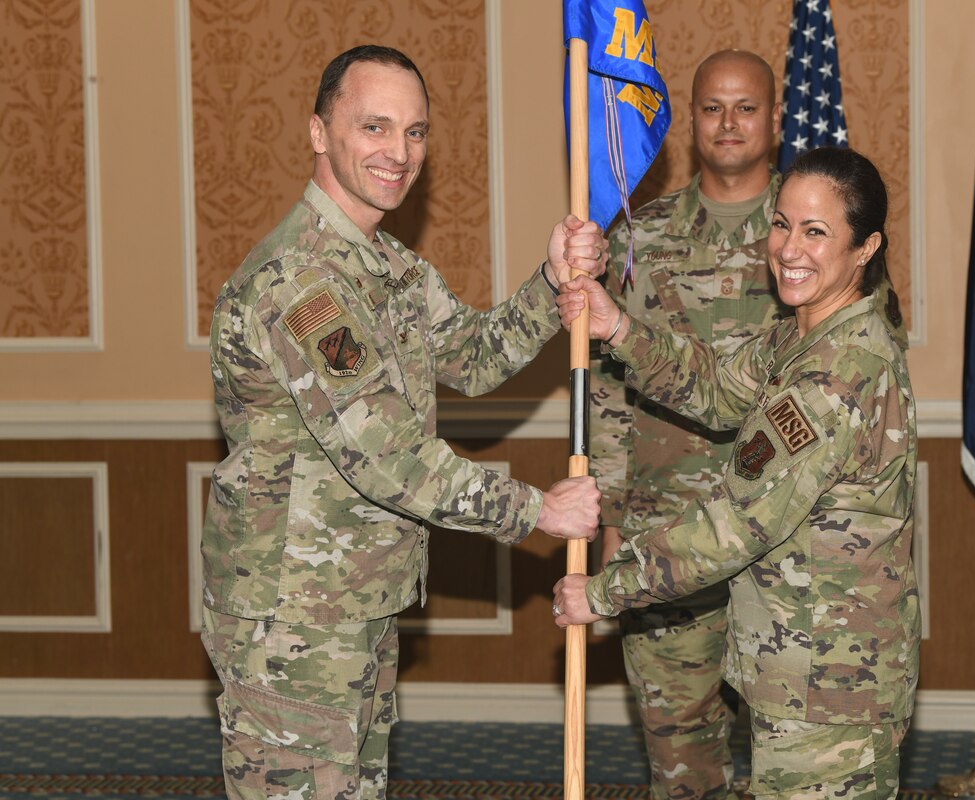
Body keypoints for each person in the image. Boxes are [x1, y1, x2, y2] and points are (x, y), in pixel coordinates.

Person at [200, 45, 605, 800]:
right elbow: (386, 457)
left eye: (415, 132)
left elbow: (477, 357)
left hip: (357, 602)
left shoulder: (388, 267)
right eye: (375, 127)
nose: (399, 153)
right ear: (319, 132)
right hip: (294, 624)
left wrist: (552, 282)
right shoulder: (302, 280)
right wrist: (535, 510)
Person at [555, 146, 919, 799]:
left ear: (865, 249)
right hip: (801, 672)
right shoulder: (800, 332)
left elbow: (735, 523)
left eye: (816, 232)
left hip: (830, 689)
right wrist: (617, 327)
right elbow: (717, 392)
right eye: (781, 224)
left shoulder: (837, 371)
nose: (788, 249)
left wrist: (605, 591)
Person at [589, 48, 788, 800]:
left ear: (774, 118)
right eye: (711, 108)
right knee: (682, 764)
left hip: (782, 539)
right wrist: (611, 513)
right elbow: (610, 388)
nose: (728, 123)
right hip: (664, 532)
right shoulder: (640, 239)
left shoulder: (813, 239)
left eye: (745, 107)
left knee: (791, 759)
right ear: (688, 122)